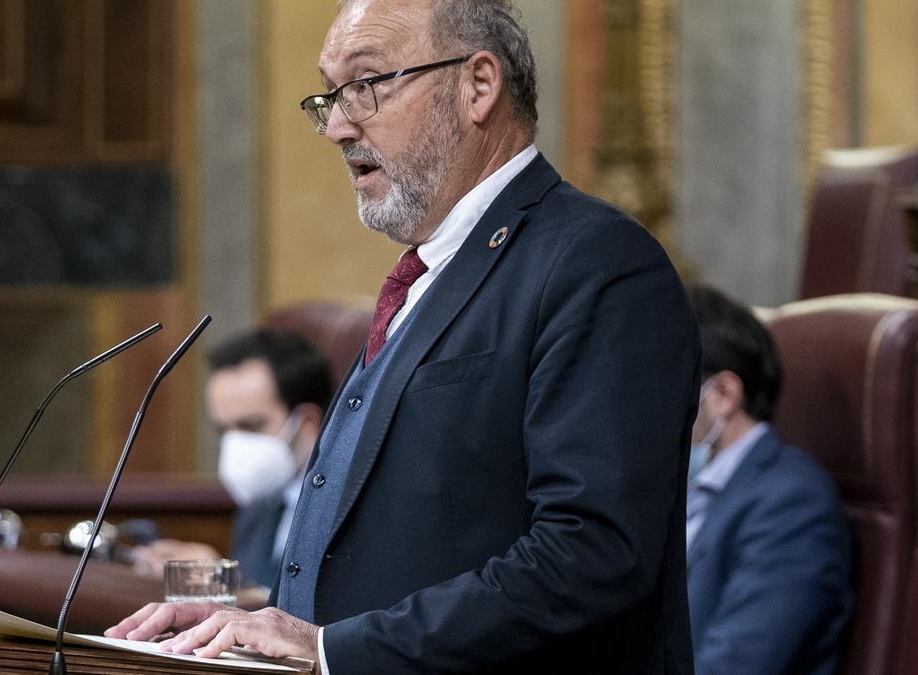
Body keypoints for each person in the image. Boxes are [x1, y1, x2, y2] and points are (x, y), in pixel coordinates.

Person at [108, 1, 700, 672]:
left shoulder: (596, 263)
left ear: (477, 85)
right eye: (330, 94)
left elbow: (591, 551)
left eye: (366, 85)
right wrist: (252, 617)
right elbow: (391, 551)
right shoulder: (424, 276)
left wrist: (333, 649)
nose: (336, 125)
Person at [685, 284, 852, 674]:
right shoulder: (682, 487)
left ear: (723, 394)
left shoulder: (793, 505)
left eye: (664, 387)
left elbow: (733, 667)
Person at [133, 329, 332, 591]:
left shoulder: (345, 507)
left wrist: (221, 578)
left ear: (307, 423)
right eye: (223, 430)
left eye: (250, 426)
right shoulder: (258, 505)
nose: (236, 445)